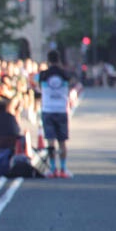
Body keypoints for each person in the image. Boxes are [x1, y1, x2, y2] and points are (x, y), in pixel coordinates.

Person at [39, 50, 74, 178]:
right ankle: (63, 168)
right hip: (61, 109)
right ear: (59, 60)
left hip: (48, 109)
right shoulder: (65, 74)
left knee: (50, 141)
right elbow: (71, 85)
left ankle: (53, 169)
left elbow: (39, 87)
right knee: (62, 141)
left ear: (48, 60)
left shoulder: (43, 74)